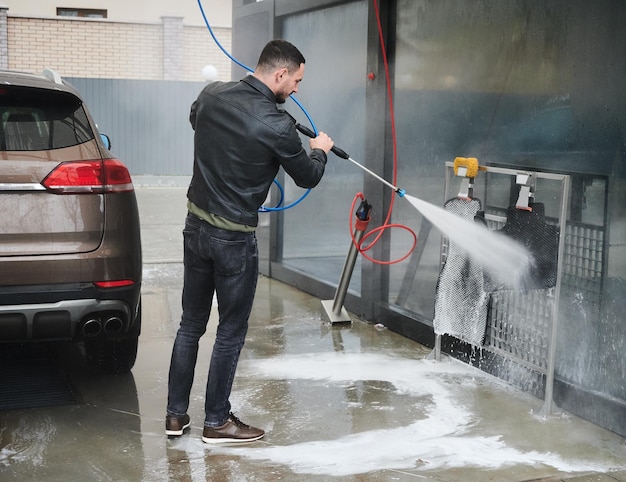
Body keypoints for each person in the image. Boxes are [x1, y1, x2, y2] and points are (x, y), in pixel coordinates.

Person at [165, 39, 334, 444]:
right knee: (230, 331)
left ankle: (175, 417)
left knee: (191, 324)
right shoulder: (277, 126)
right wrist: (320, 150)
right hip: (233, 240)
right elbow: (308, 176)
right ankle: (217, 422)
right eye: (296, 80)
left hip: (195, 228)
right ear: (280, 74)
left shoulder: (211, 96)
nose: (296, 89)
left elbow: (195, 119)